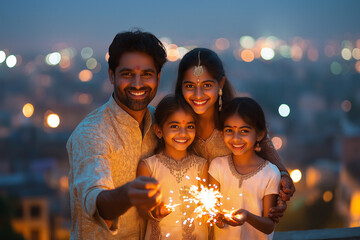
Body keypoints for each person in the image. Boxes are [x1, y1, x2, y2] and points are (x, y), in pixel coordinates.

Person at [66, 30, 167, 239]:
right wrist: (128, 194)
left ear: (158, 77)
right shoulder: (92, 133)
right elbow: (97, 202)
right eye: (128, 74)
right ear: (112, 75)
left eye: (146, 74)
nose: (138, 83)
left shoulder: (162, 125)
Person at [174, 48, 295, 221]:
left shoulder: (235, 123)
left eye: (207, 85)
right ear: (181, 87)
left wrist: (282, 185)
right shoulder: (175, 127)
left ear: (220, 84)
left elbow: (265, 154)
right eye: (190, 86)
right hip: (187, 223)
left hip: (234, 224)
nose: (198, 94)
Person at [137, 95, 209, 240]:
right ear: (158, 131)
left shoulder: (201, 165)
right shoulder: (149, 166)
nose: (183, 133)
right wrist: (153, 211)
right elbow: (140, 208)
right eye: (174, 126)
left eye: (189, 126)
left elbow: (206, 205)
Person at [209, 97, 280, 239]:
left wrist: (247, 216)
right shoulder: (217, 167)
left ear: (260, 134)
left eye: (244, 131)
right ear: (222, 133)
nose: (236, 138)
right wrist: (219, 218)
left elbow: (269, 225)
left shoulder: (270, 173)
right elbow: (213, 212)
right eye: (229, 130)